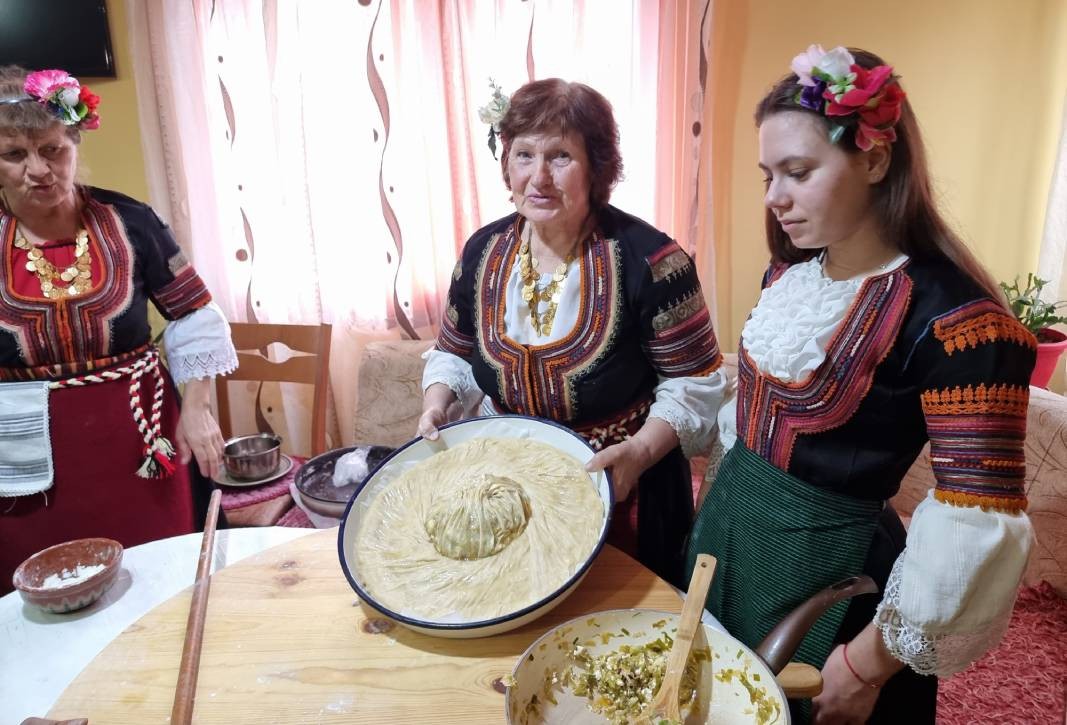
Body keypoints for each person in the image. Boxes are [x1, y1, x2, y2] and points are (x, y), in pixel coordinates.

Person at [685, 46, 1036, 723]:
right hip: (732, 545)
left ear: (875, 160)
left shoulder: (961, 324)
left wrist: (865, 661)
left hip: (834, 587)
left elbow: (976, 520)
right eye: (768, 175)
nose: (774, 198)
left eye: (797, 172)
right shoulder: (791, 274)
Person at [418, 78, 728, 585]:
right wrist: (436, 403)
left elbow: (694, 385)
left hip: (622, 490)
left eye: (560, 156)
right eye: (523, 155)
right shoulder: (480, 253)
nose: (538, 177)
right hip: (507, 487)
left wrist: (640, 453)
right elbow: (454, 353)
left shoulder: (654, 262)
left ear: (597, 168)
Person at [0, 67, 237, 593]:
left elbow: (194, 312)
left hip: (141, 443)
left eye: (53, 150)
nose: (39, 169)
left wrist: (198, 409)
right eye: (15, 154)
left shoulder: (128, 221)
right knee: (42, 591)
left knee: (161, 578)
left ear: (74, 144)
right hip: (23, 460)